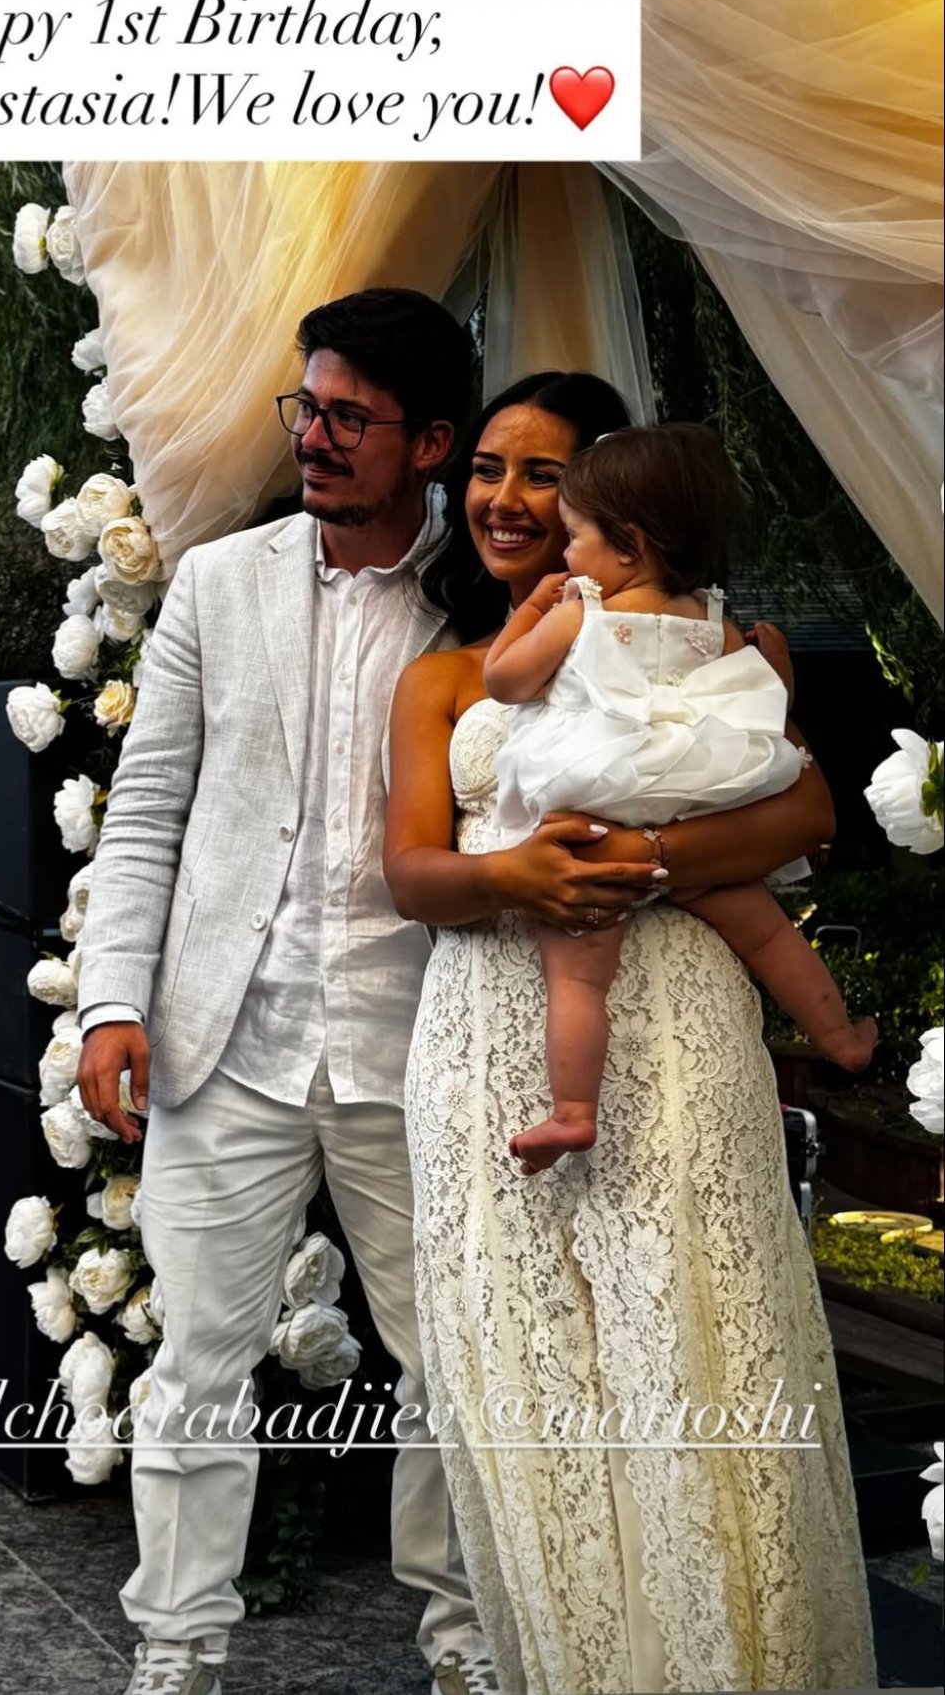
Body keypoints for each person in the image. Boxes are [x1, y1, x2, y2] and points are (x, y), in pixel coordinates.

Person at [77, 295, 658, 1695]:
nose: (316, 438)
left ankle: (462, 1644)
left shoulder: (493, 603)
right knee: (196, 1361)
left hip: (427, 1041)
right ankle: (176, 1647)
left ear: (431, 442)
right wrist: (109, 1001)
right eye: (308, 409)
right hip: (229, 1034)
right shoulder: (218, 584)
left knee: (450, 1362)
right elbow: (147, 808)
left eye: (349, 417)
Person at [384, 372, 876, 1694]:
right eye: (487, 468)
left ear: (615, 503)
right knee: (530, 1369)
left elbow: (805, 813)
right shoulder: (443, 678)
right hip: (490, 1033)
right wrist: (514, 876)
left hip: (676, 1024)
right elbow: (410, 875)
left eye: (544, 475)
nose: (507, 499)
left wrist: (642, 860)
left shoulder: (730, 642)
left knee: (700, 1334)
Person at [483, 422, 876, 1173]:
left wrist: (532, 610)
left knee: (577, 973)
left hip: (601, 821)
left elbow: (504, 682)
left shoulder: (583, 611)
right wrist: (780, 678)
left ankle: (573, 1113)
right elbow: (758, 704)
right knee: (768, 935)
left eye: (575, 536)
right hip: (695, 814)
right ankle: (842, 1038)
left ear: (627, 547)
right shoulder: (709, 619)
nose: (565, 555)